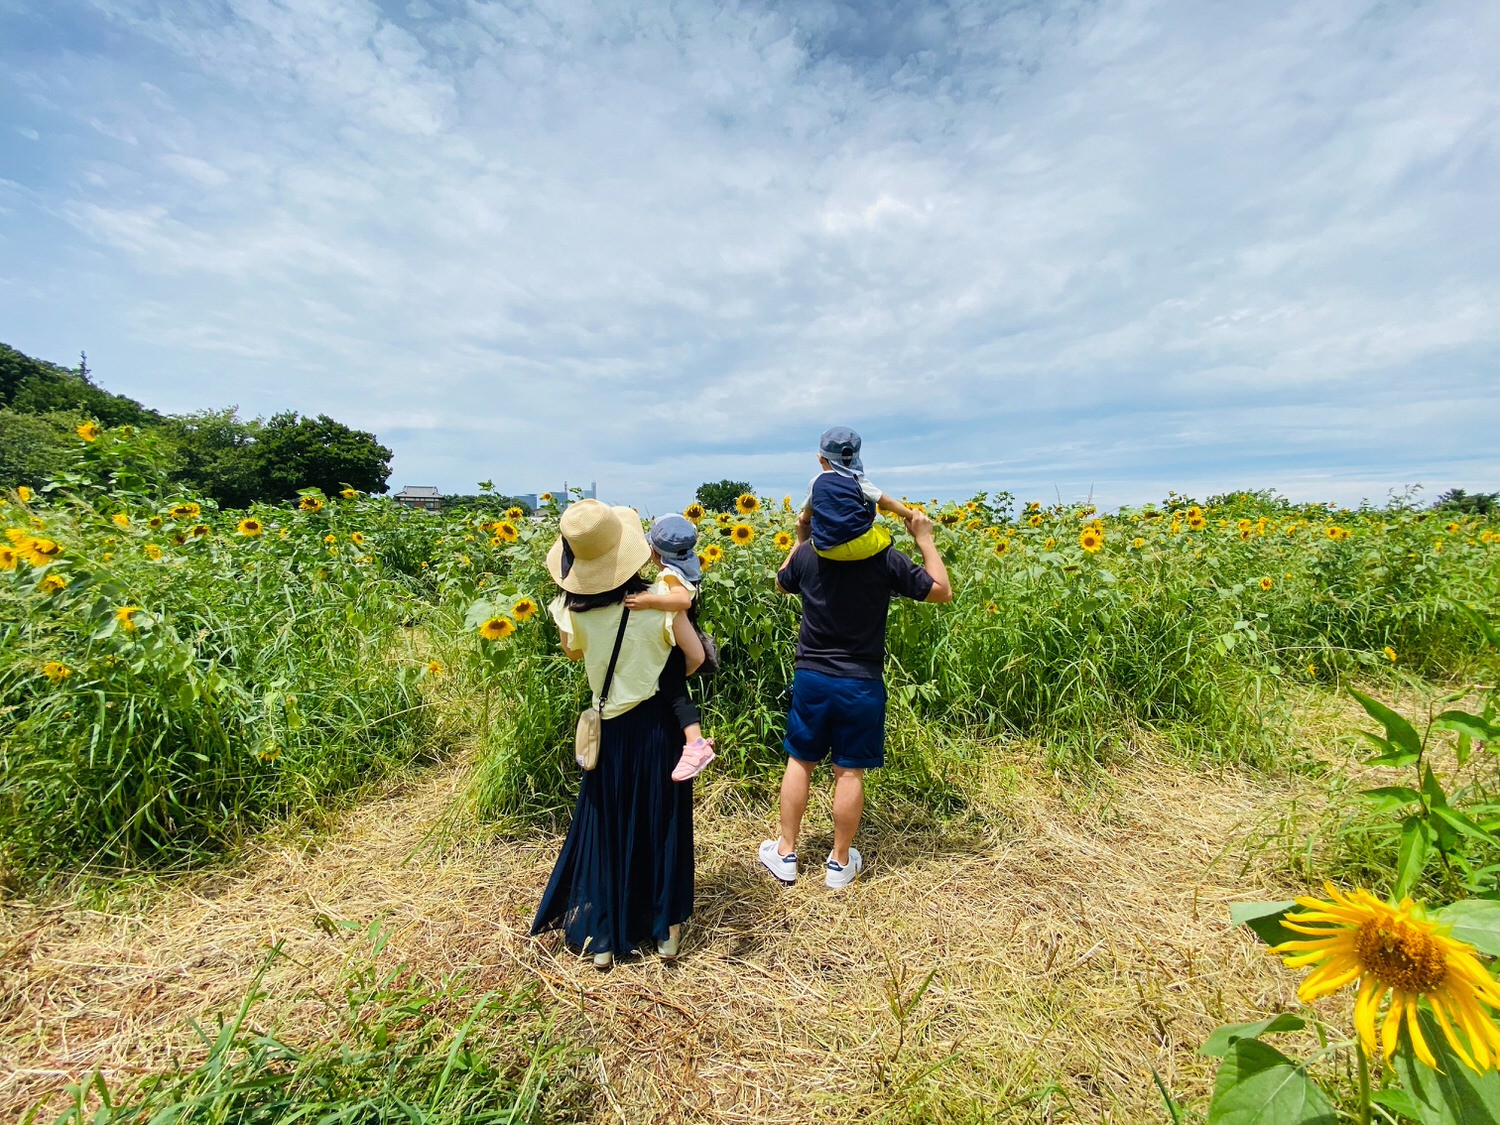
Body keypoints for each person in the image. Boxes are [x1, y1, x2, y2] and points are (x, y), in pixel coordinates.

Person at [531, 499, 701, 968]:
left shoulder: (570, 610)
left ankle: (603, 939)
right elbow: (695, 659)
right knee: (662, 823)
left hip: (608, 730)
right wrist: (659, 672)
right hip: (658, 729)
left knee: (607, 826)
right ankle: (665, 933)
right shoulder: (661, 602)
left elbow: (572, 654)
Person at [760, 494, 952, 889]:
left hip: (813, 676)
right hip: (861, 682)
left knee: (800, 761)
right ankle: (839, 862)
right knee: (849, 771)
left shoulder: (809, 555)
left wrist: (800, 537)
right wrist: (924, 539)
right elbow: (940, 590)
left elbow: (782, 583)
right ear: (866, 517)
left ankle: (786, 852)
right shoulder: (884, 557)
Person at [624, 514, 715, 781]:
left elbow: (681, 602)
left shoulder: (670, 575)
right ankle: (693, 743)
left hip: (676, 643)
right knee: (675, 691)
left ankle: (696, 744)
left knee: (676, 692)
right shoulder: (686, 570)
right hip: (681, 639)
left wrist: (648, 601)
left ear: (656, 552)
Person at [800, 426, 916, 560]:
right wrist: (911, 515)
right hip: (861, 546)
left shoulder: (815, 482)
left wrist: (804, 523)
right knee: (884, 536)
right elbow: (886, 501)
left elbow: (807, 515)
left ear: (820, 458)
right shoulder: (857, 479)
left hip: (825, 549)